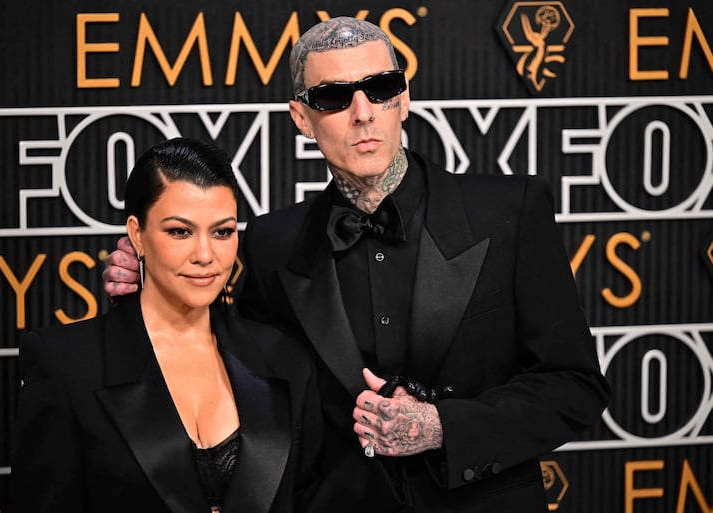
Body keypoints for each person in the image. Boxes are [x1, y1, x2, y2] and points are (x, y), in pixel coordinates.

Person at [103, 18, 610, 513]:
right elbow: (241, 379)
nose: (363, 113)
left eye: (380, 87)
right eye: (334, 97)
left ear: (404, 98)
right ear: (302, 118)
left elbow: (575, 384)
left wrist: (442, 427)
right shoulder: (272, 244)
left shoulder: (509, 211)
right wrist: (155, 289)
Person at [12, 137, 322, 513]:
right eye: (180, 231)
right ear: (137, 234)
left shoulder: (285, 359)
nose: (205, 255)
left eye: (222, 231)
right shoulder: (65, 365)